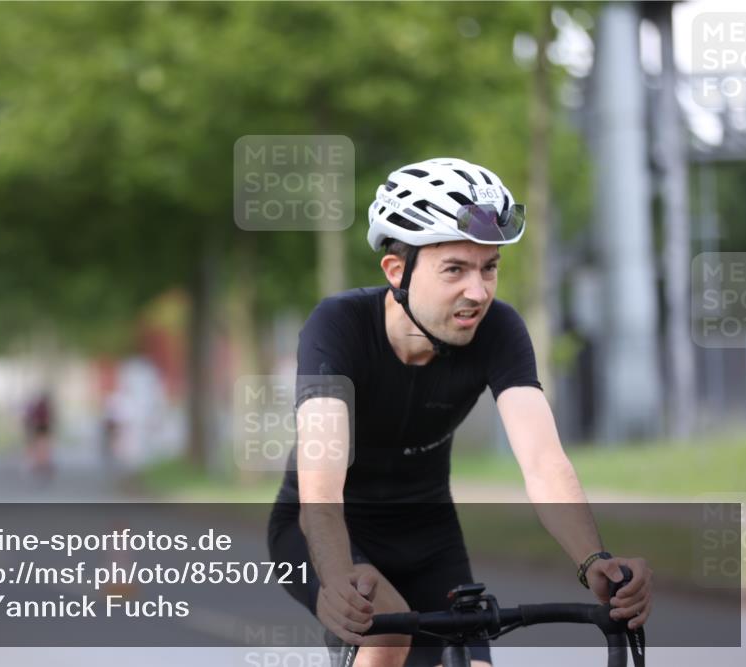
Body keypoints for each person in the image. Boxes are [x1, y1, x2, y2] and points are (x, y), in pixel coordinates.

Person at [267, 158, 652, 667]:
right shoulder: (337, 325)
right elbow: (322, 480)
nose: (479, 291)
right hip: (322, 527)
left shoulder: (499, 329)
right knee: (386, 637)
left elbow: (543, 461)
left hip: (429, 535)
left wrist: (593, 560)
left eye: (489, 267)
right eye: (455, 269)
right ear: (396, 270)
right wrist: (336, 576)